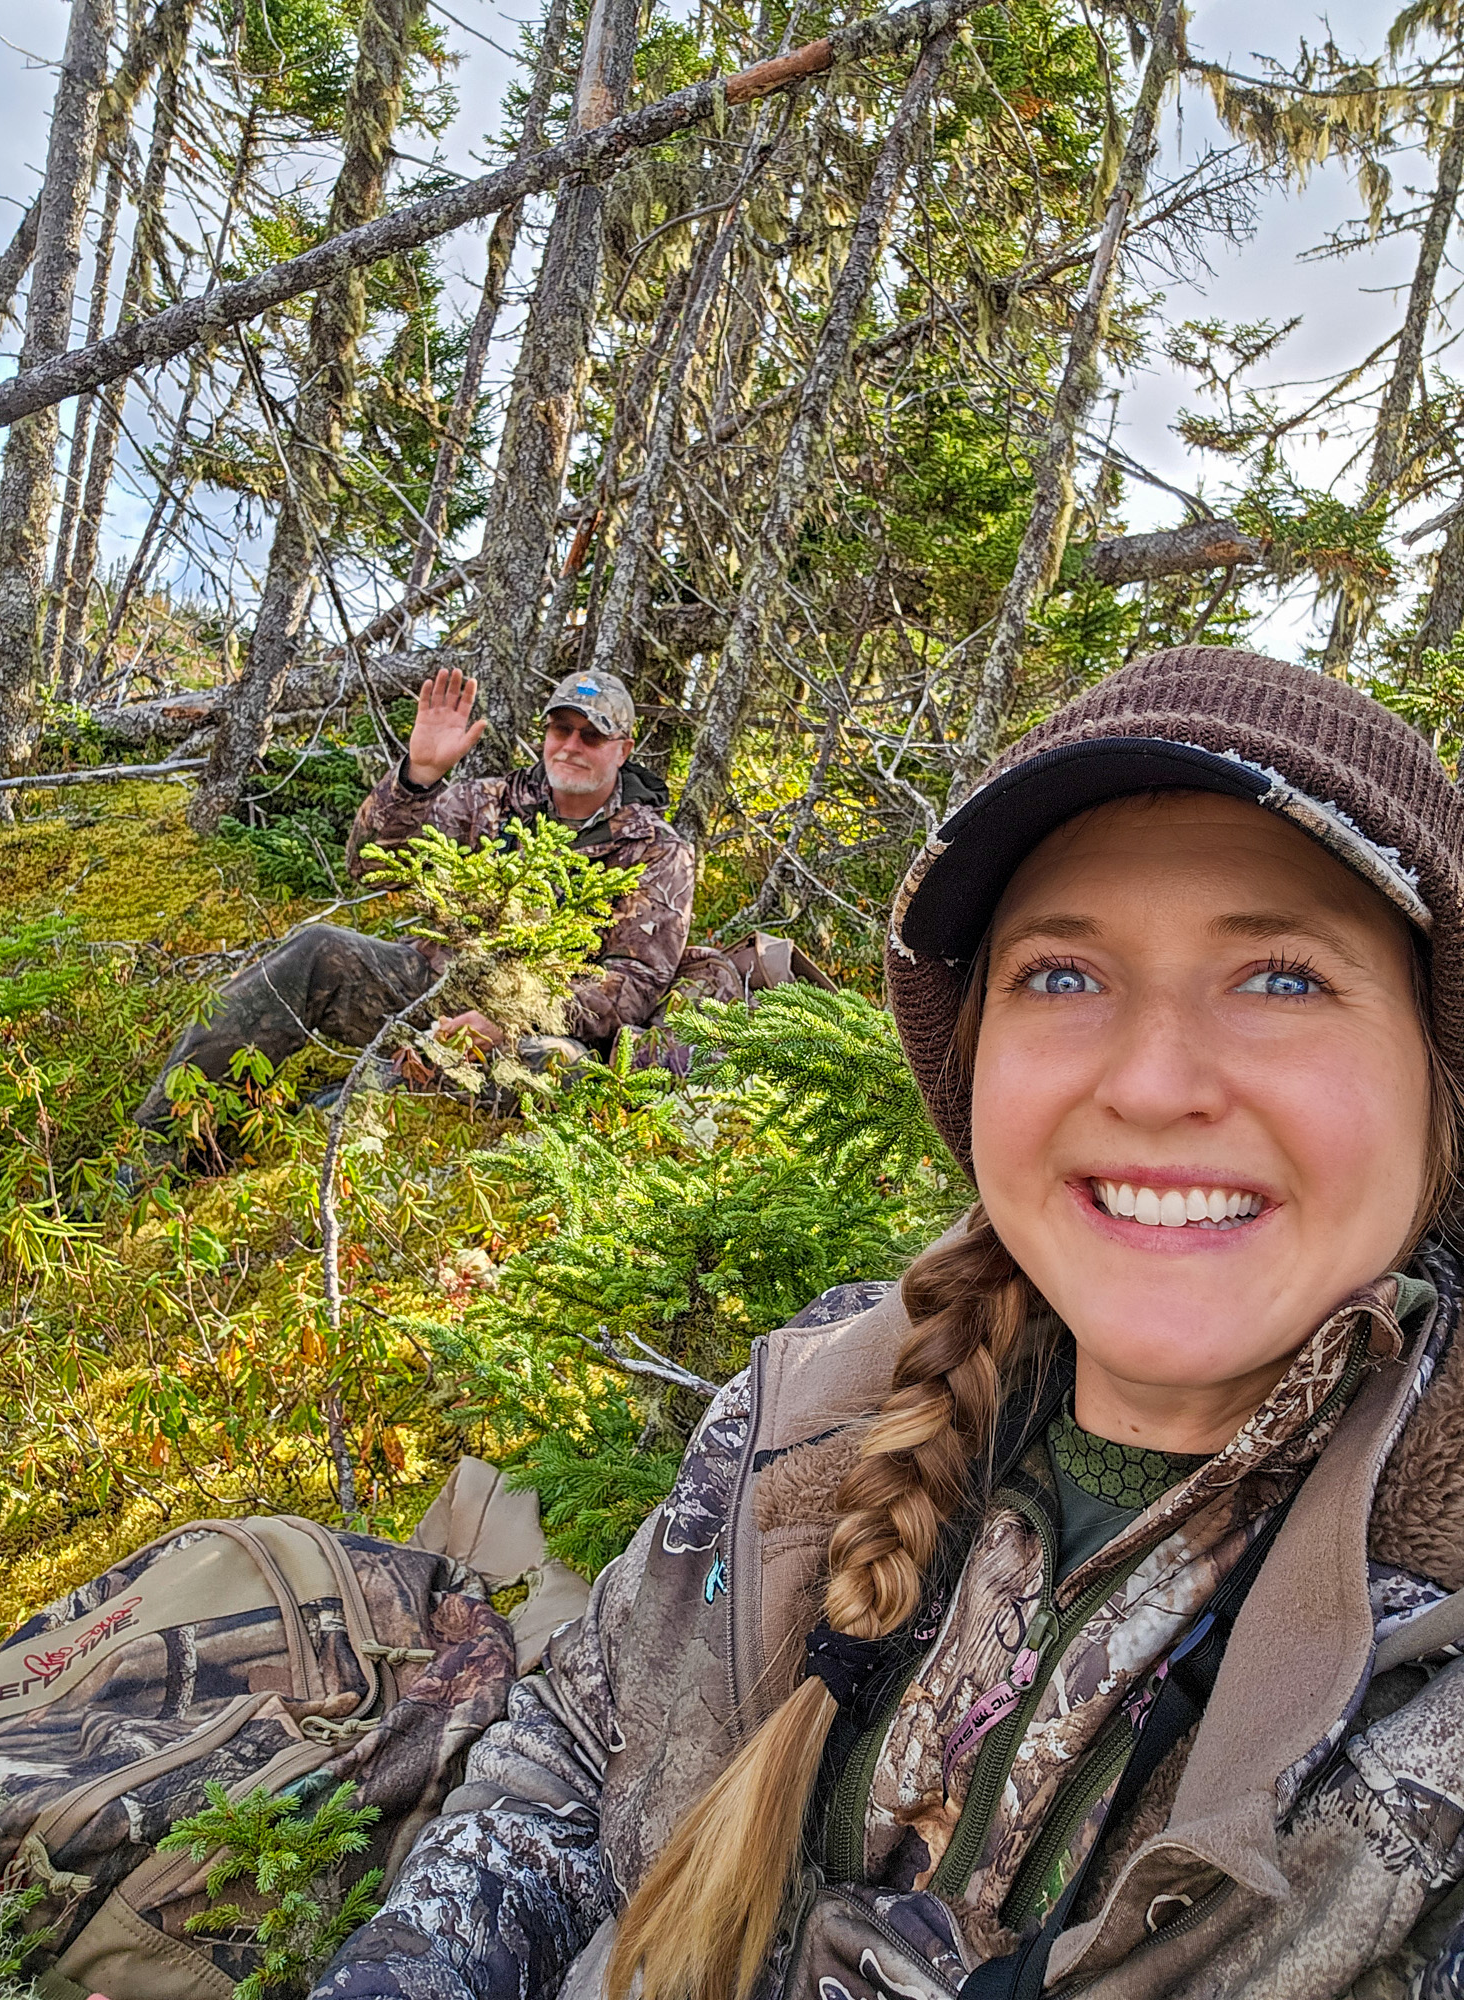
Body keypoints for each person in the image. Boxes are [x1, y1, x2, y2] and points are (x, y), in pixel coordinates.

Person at [311, 645, 1464, 2000]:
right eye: (1062, 975)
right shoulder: (811, 1402)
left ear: (1440, 1085)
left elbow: (632, 982)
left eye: (1280, 978)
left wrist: (522, 1025)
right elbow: (571, 1754)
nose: (1153, 1083)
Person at [133, 668, 696, 1137]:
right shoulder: (491, 803)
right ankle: (158, 1143)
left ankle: (353, 1102)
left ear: (622, 750)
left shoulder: (656, 851)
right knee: (313, 950)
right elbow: (370, 863)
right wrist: (418, 776)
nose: (570, 747)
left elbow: (632, 985)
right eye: (560, 730)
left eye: (591, 736)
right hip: (435, 986)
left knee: (548, 1066)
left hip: (543, 1032)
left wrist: (509, 1018)